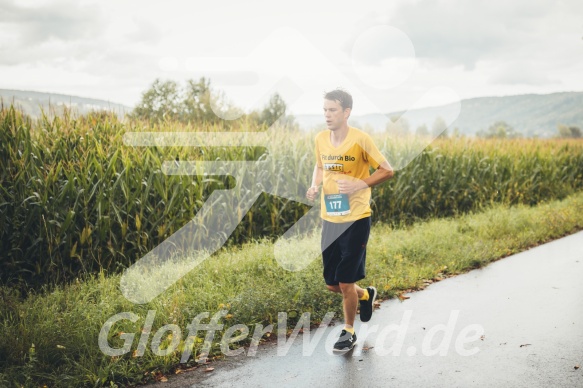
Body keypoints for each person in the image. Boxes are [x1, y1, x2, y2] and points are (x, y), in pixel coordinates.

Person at [306, 89, 394, 354]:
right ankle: (365, 294)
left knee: (345, 282)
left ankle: (348, 331)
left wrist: (359, 184)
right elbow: (320, 166)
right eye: (324, 110)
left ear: (346, 112)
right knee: (332, 283)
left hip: (356, 218)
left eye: (332, 110)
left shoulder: (361, 139)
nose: (327, 115)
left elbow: (387, 170)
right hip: (330, 218)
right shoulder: (321, 139)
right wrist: (314, 185)